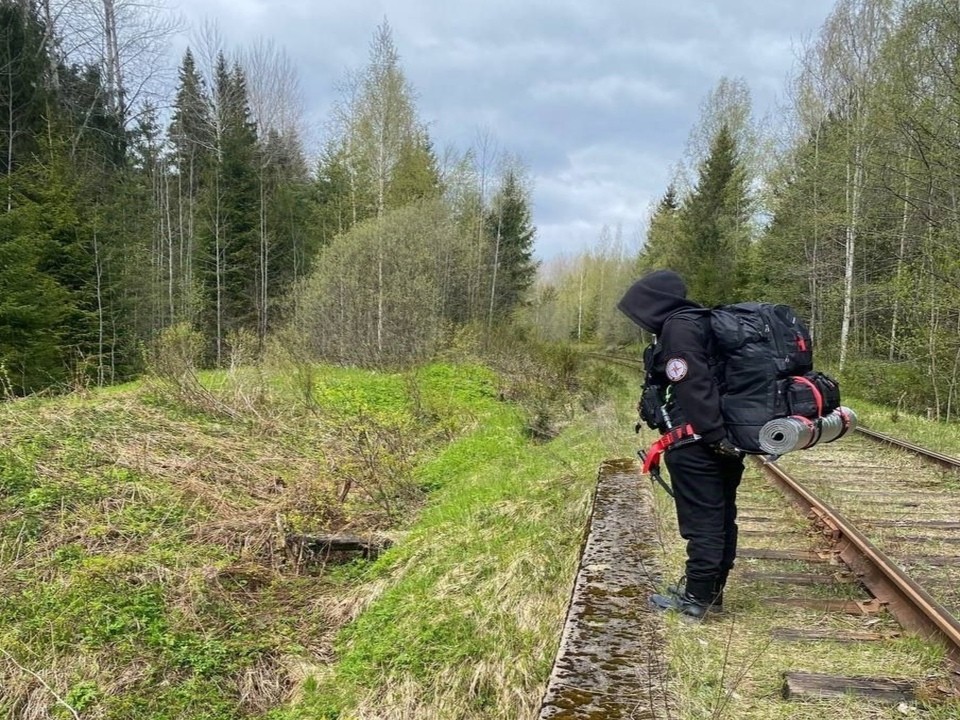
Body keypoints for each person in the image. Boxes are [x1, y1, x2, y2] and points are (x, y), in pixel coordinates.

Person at [617, 269, 744, 619]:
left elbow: (691, 382)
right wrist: (723, 438)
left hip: (696, 442)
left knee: (701, 521)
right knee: (721, 516)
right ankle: (709, 593)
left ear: (654, 303)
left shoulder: (679, 328)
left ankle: (697, 600)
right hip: (723, 437)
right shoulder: (701, 322)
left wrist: (712, 436)